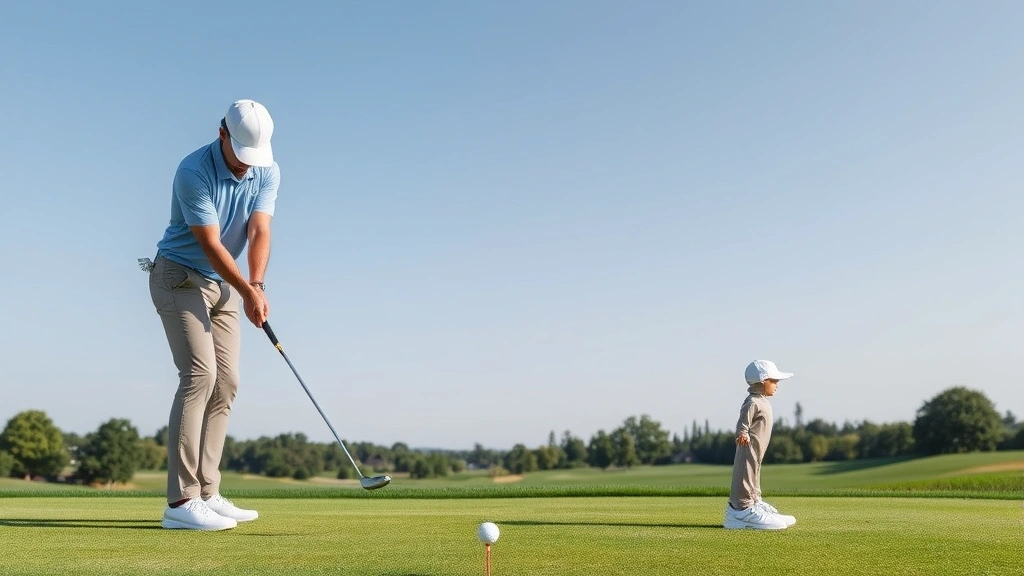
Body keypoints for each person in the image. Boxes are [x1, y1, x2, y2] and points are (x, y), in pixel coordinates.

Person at [146, 99, 280, 531]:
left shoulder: (266, 169)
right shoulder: (193, 172)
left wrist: (256, 286)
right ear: (222, 134)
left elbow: (259, 229)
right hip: (179, 277)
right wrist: (247, 291)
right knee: (199, 375)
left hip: (223, 284)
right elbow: (211, 244)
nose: (245, 166)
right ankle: (180, 501)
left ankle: (207, 492)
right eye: (240, 156)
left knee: (227, 381)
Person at [723, 359, 798, 530]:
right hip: (748, 446)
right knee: (746, 472)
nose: (777, 385)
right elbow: (744, 420)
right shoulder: (753, 401)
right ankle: (742, 510)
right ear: (763, 381)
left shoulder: (762, 401)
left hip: (758, 448)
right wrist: (743, 432)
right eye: (774, 381)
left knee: (755, 473)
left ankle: (754, 501)